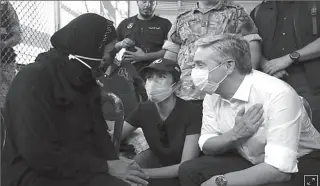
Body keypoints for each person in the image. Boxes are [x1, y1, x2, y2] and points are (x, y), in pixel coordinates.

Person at [1, 13, 149, 186]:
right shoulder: (33, 79)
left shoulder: (84, 80)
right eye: (110, 52)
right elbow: (37, 153)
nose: (110, 60)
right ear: (92, 49)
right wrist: (105, 167)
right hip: (34, 172)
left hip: (76, 165)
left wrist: (116, 162)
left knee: (135, 181)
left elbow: (99, 133)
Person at [179, 34, 320, 186]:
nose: (194, 71)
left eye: (201, 65)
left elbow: (280, 170)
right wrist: (234, 135)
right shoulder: (212, 93)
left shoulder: (277, 94)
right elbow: (207, 145)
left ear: (228, 66)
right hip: (251, 159)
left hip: (300, 162)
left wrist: (220, 182)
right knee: (190, 170)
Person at [119, 58, 202, 186]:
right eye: (150, 77)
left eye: (161, 77)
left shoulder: (192, 113)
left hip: (185, 175)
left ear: (177, 86)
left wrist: (140, 172)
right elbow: (115, 136)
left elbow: (186, 166)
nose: (153, 83)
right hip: (157, 164)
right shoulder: (144, 108)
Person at [162, 0, 262, 105]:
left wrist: (247, 79)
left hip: (223, 91)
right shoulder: (182, 18)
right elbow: (172, 52)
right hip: (187, 91)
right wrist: (165, 83)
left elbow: (252, 43)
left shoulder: (235, 13)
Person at [250, 1, 320, 132]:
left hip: (311, 83)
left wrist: (289, 58)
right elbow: (251, 44)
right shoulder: (258, 11)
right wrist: (266, 65)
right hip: (271, 82)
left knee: (313, 134)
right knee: (276, 134)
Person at [116, 0, 172, 72]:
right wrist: (121, 44)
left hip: (155, 71)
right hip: (129, 72)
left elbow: (169, 51)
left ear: (156, 3)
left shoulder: (165, 24)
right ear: (137, 2)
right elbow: (113, 47)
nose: (148, 5)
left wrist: (144, 56)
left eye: (151, 2)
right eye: (144, 1)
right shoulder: (125, 23)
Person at [0, 0, 21, 107]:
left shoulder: (6, 6)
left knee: (7, 95)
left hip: (5, 56)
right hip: (5, 55)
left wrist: (5, 43)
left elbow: (17, 36)